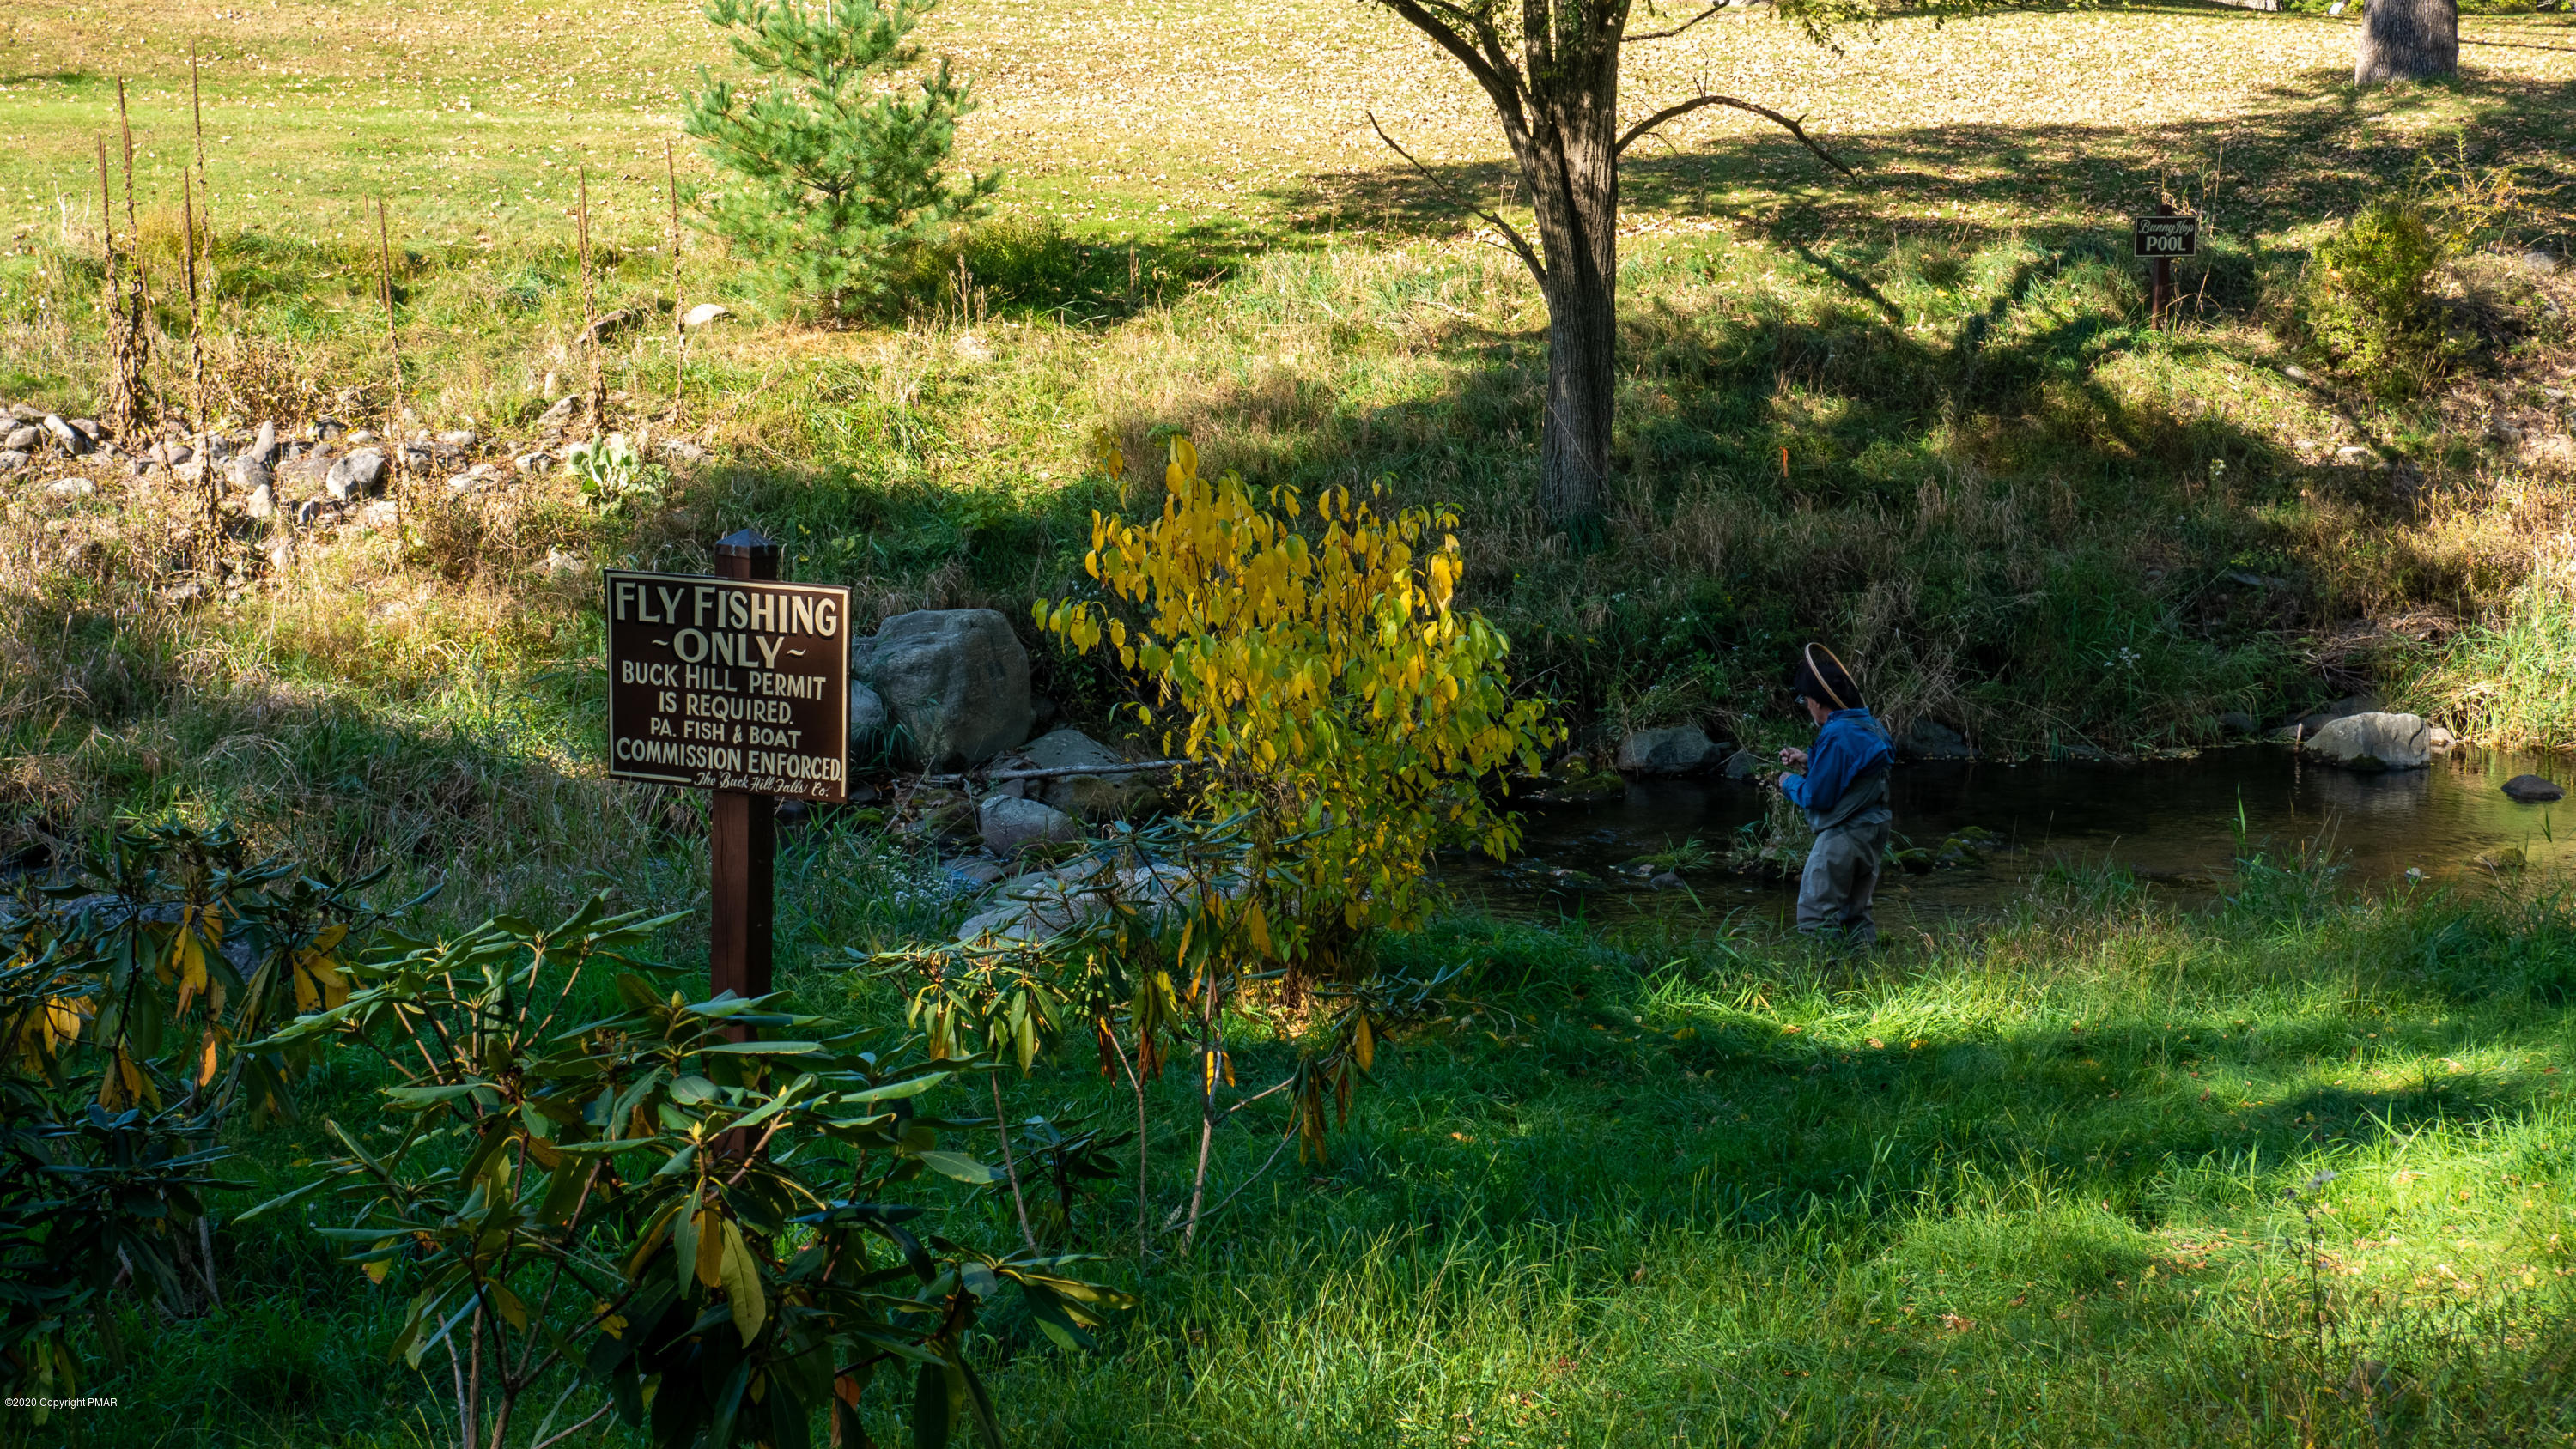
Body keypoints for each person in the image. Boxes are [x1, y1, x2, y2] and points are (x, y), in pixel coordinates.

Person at [1774, 644, 1894, 948]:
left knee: (1815, 916)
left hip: (1845, 836)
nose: (1807, 707)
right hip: (1874, 830)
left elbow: (1817, 796)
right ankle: (1864, 974)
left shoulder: (1838, 734)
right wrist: (1809, 761)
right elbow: (1855, 771)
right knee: (1856, 915)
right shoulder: (1869, 725)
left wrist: (1787, 782)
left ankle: (1821, 975)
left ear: (1817, 701)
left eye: (1806, 701)